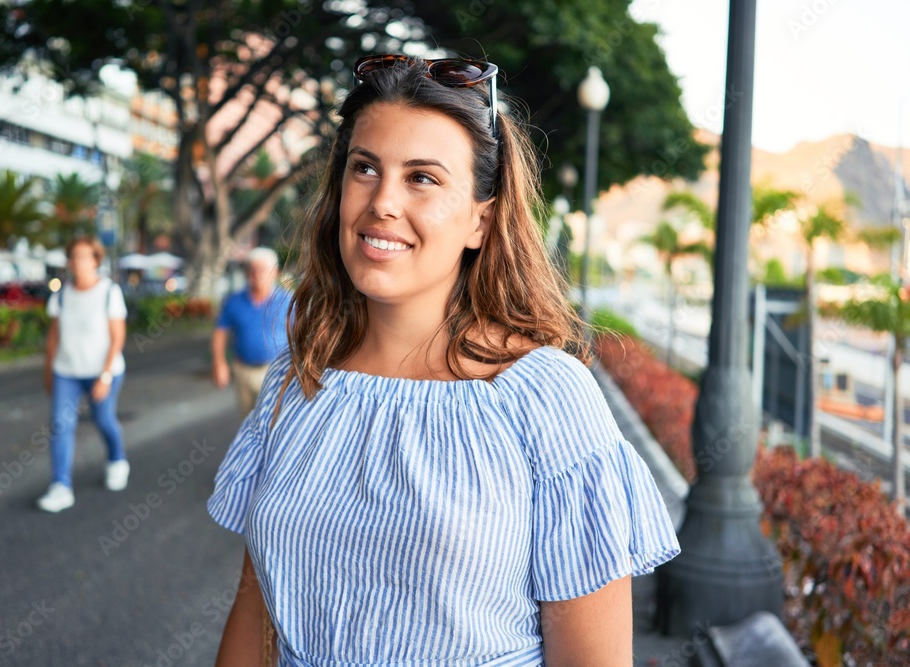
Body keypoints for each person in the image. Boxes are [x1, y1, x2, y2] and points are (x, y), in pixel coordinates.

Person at [207, 55, 680, 665]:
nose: (381, 202)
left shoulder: (545, 396)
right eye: (365, 168)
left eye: (422, 178)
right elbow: (256, 614)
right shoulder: (296, 378)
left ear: (480, 222)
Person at [38, 236, 129, 512]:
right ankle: (60, 485)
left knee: (103, 419)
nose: (77, 262)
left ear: (95, 260)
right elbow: (54, 337)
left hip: (103, 371)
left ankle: (117, 459)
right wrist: (48, 369)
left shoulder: (109, 292)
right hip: (67, 371)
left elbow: (118, 337)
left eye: (83, 256)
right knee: (60, 425)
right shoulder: (62, 295)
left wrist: (104, 376)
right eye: (73, 256)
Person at [211, 247, 291, 416]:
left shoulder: (288, 300)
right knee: (248, 423)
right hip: (243, 371)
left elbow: (301, 334)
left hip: (277, 372)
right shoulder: (234, 301)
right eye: (251, 269)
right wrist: (219, 363)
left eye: (262, 270)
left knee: (274, 423)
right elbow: (220, 332)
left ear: (274, 272)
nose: (256, 274)